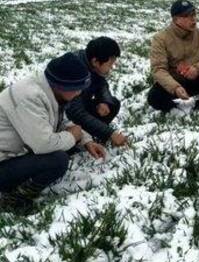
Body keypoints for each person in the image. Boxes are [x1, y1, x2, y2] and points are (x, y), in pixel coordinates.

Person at [0, 53, 107, 212]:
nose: (79, 93)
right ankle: (12, 200)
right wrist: (73, 137)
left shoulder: (48, 90)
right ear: (61, 85)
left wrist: (86, 140)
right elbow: (43, 144)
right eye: (77, 88)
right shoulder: (30, 96)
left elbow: (57, 122)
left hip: (10, 154)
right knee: (57, 160)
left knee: (62, 147)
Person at [148, 0, 199, 112]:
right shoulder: (160, 39)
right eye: (187, 16)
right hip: (174, 82)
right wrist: (175, 87)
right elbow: (158, 70)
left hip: (196, 79)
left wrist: (197, 69)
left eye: (194, 14)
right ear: (176, 19)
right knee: (154, 97)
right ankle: (176, 111)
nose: (193, 19)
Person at [66, 36, 128, 146]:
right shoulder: (75, 71)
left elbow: (102, 84)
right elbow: (76, 112)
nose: (112, 68)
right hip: (66, 118)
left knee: (113, 103)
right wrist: (110, 133)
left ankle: (94, 134)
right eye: (110, 64)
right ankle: (82, 139)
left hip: (82, 105)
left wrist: (104, 101)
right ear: (95, 61)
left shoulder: (90, 63)